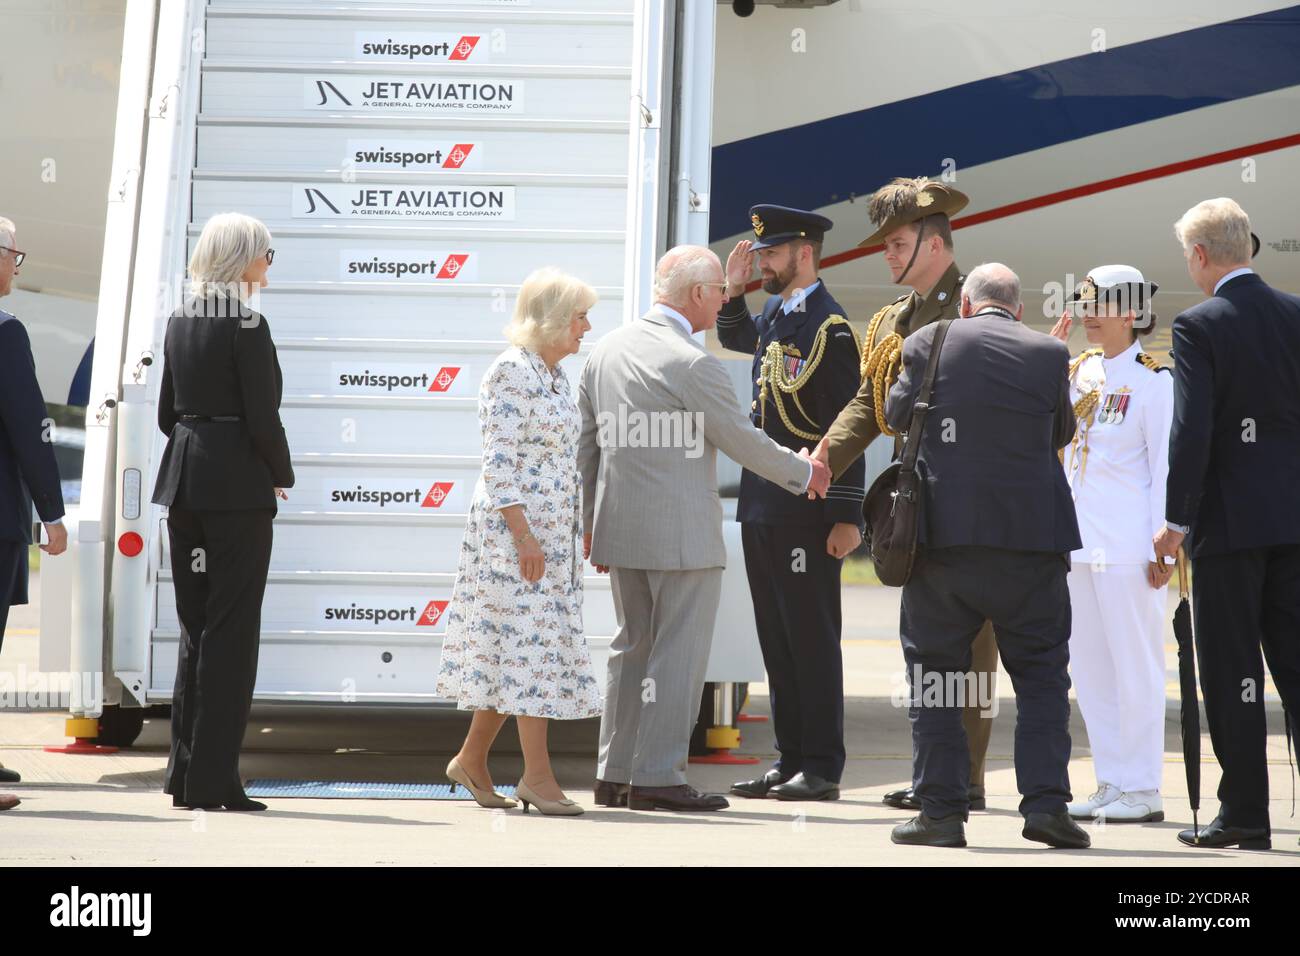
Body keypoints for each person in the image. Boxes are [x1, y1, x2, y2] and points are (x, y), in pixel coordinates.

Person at [577, 245, 831, 812]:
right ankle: (658, 776)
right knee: (678, 658)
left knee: (630, 651)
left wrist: (589, 524)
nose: (723, 300)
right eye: (719, 291)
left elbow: (586, 447)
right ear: (696, 294)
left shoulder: (606, 352)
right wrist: (804, 472)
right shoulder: (691, 362)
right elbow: (740, 439)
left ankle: (615, 774)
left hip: (621, 532)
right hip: (683, 540)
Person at [884, 263, 1089, 849]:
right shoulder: (1048, 355)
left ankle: (942, 815)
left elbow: (897, 417)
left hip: (943, 545)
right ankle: (1047, 809)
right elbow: (1060, 434)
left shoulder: (928, 340)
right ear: (1018, 310)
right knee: (1043, 679)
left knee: (935, 681)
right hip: (1032, 545)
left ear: (967, 306)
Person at [810, 177, 997, 812]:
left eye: (896, 244)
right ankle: (934, 775)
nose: (886, 256)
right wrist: (824, 459)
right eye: (885, 246)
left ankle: (964, 779)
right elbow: (868, 401)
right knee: (925, 645)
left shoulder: (973, 309)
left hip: (966, 499)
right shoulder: (893, 319)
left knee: (971, 648)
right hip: (913, 504)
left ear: (934, 242)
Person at [1154, 198, 1300, 851]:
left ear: (1201, 255)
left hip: (1230, 528)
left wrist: (1174, 519)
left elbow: (1193, 432)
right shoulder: (1296, 313)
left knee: (1231, 671)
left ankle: (1245, 813)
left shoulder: (1198, 324)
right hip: (1294, 523)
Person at [435, 267, 602, 816]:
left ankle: (472, 759)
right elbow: (499, 465)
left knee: (523, 650)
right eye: (579, 316)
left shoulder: (554, 376)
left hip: (548, 537)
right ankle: (537, 776)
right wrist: (526, 537)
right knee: (533, 651)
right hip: (515, 538)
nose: (586, 327)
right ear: (553, 319)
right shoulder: (509, 373)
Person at [717, 205, 864, 802]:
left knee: (811, 637)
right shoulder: (776, 314)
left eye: (771, 255)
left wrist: (846, 515)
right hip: (762, 504)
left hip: (808, 508)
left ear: (804, 252)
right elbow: (733, 336)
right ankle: (790, 757)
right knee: (776, 638)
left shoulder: (831, 329)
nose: (763, 266)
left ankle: (822, 766)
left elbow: (851, 423)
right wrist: (731, 291)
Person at [152, 212, 294, 812]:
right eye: (265, 254)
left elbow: (166, 414)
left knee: (195, 627)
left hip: (184, 486)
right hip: (236, 492)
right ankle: (215, 783)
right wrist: (280, 474)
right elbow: (263, 417)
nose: (268, 265)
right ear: (241, 259)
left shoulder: (180, 321)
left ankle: (184, 775)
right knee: (232, 634)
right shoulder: (247, 324)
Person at [1048, 266, 1173, 824]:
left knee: (1136, 667)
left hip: (1129, 545)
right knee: (1091, 668)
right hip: (1078, 544)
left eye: (1099, 304)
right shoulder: (1076, 371)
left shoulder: (1153, 382)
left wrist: (1166, 540)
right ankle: (1111, 781)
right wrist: (1045, 371)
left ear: (1131, 312)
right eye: (1085, 302)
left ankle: (1143, 786)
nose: (1088, 313)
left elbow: (1164, 466)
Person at [0, 216, 68, 810]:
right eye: (14, 257)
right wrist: (53, 512)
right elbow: (30, 427)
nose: (15, 270)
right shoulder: (6, 332)